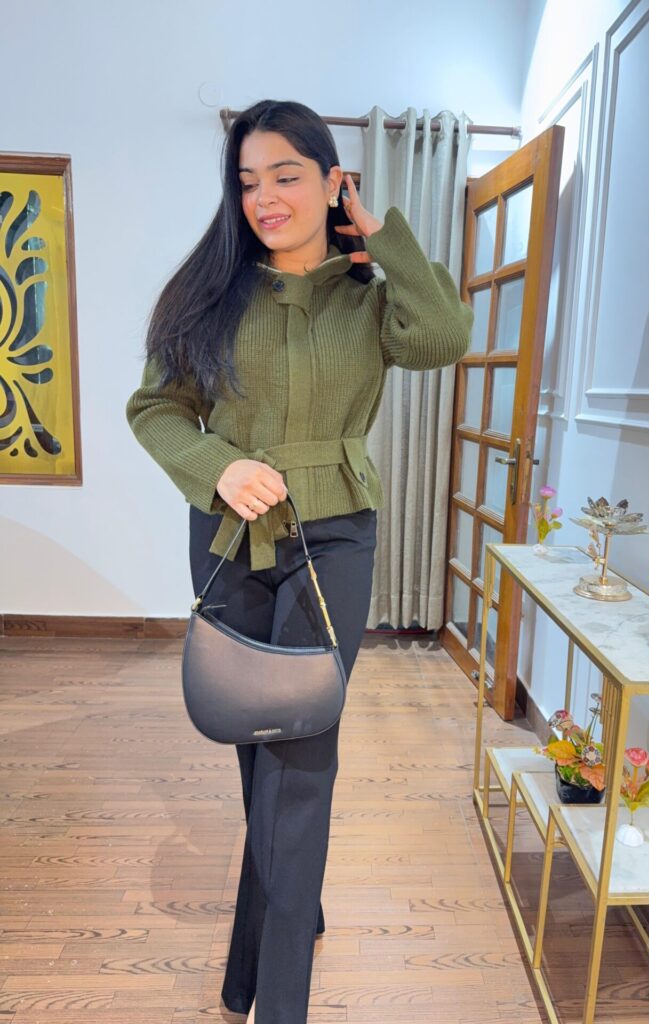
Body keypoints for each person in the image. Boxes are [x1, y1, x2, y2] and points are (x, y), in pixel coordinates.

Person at [125, 98, 473, 1023]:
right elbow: (155, 409)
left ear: (332, 181)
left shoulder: (372, 298)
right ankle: (282, 919)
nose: (265, 198)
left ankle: (274, 998)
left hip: (335, 537)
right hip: (229, 537)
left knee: (301, 759)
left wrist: (380, 235)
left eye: (286, 175)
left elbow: (444, 336)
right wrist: (218, 465)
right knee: (256, 752)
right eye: (248, 182)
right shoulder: (210, 294)